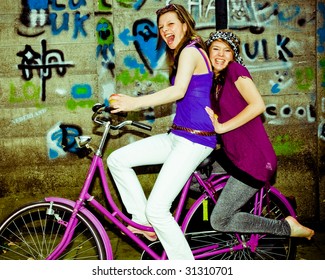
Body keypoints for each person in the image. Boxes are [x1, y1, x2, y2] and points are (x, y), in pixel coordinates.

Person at [107, 4, 216, 260]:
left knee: (158, 210)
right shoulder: (181, 55)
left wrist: (133, 103)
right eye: (161, 27)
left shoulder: (191, 51)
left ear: (185, 25)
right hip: (177, 136)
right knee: (116, 159)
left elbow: (177, 92)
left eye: (170, 24)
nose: (165, 31)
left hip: (196, 141)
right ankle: (141, 220)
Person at [204, 30, 314, 240]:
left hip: (253, 160)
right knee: (190, 175)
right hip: (232, 156)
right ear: (207, 53)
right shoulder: (214, 84)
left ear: (233, 56)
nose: (220, 55)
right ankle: (231, 210)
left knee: (219, 220)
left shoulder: (235, 70)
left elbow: (257, 105)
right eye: (215, 49)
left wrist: (222, 127)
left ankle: (285, 227)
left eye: (227, 51)